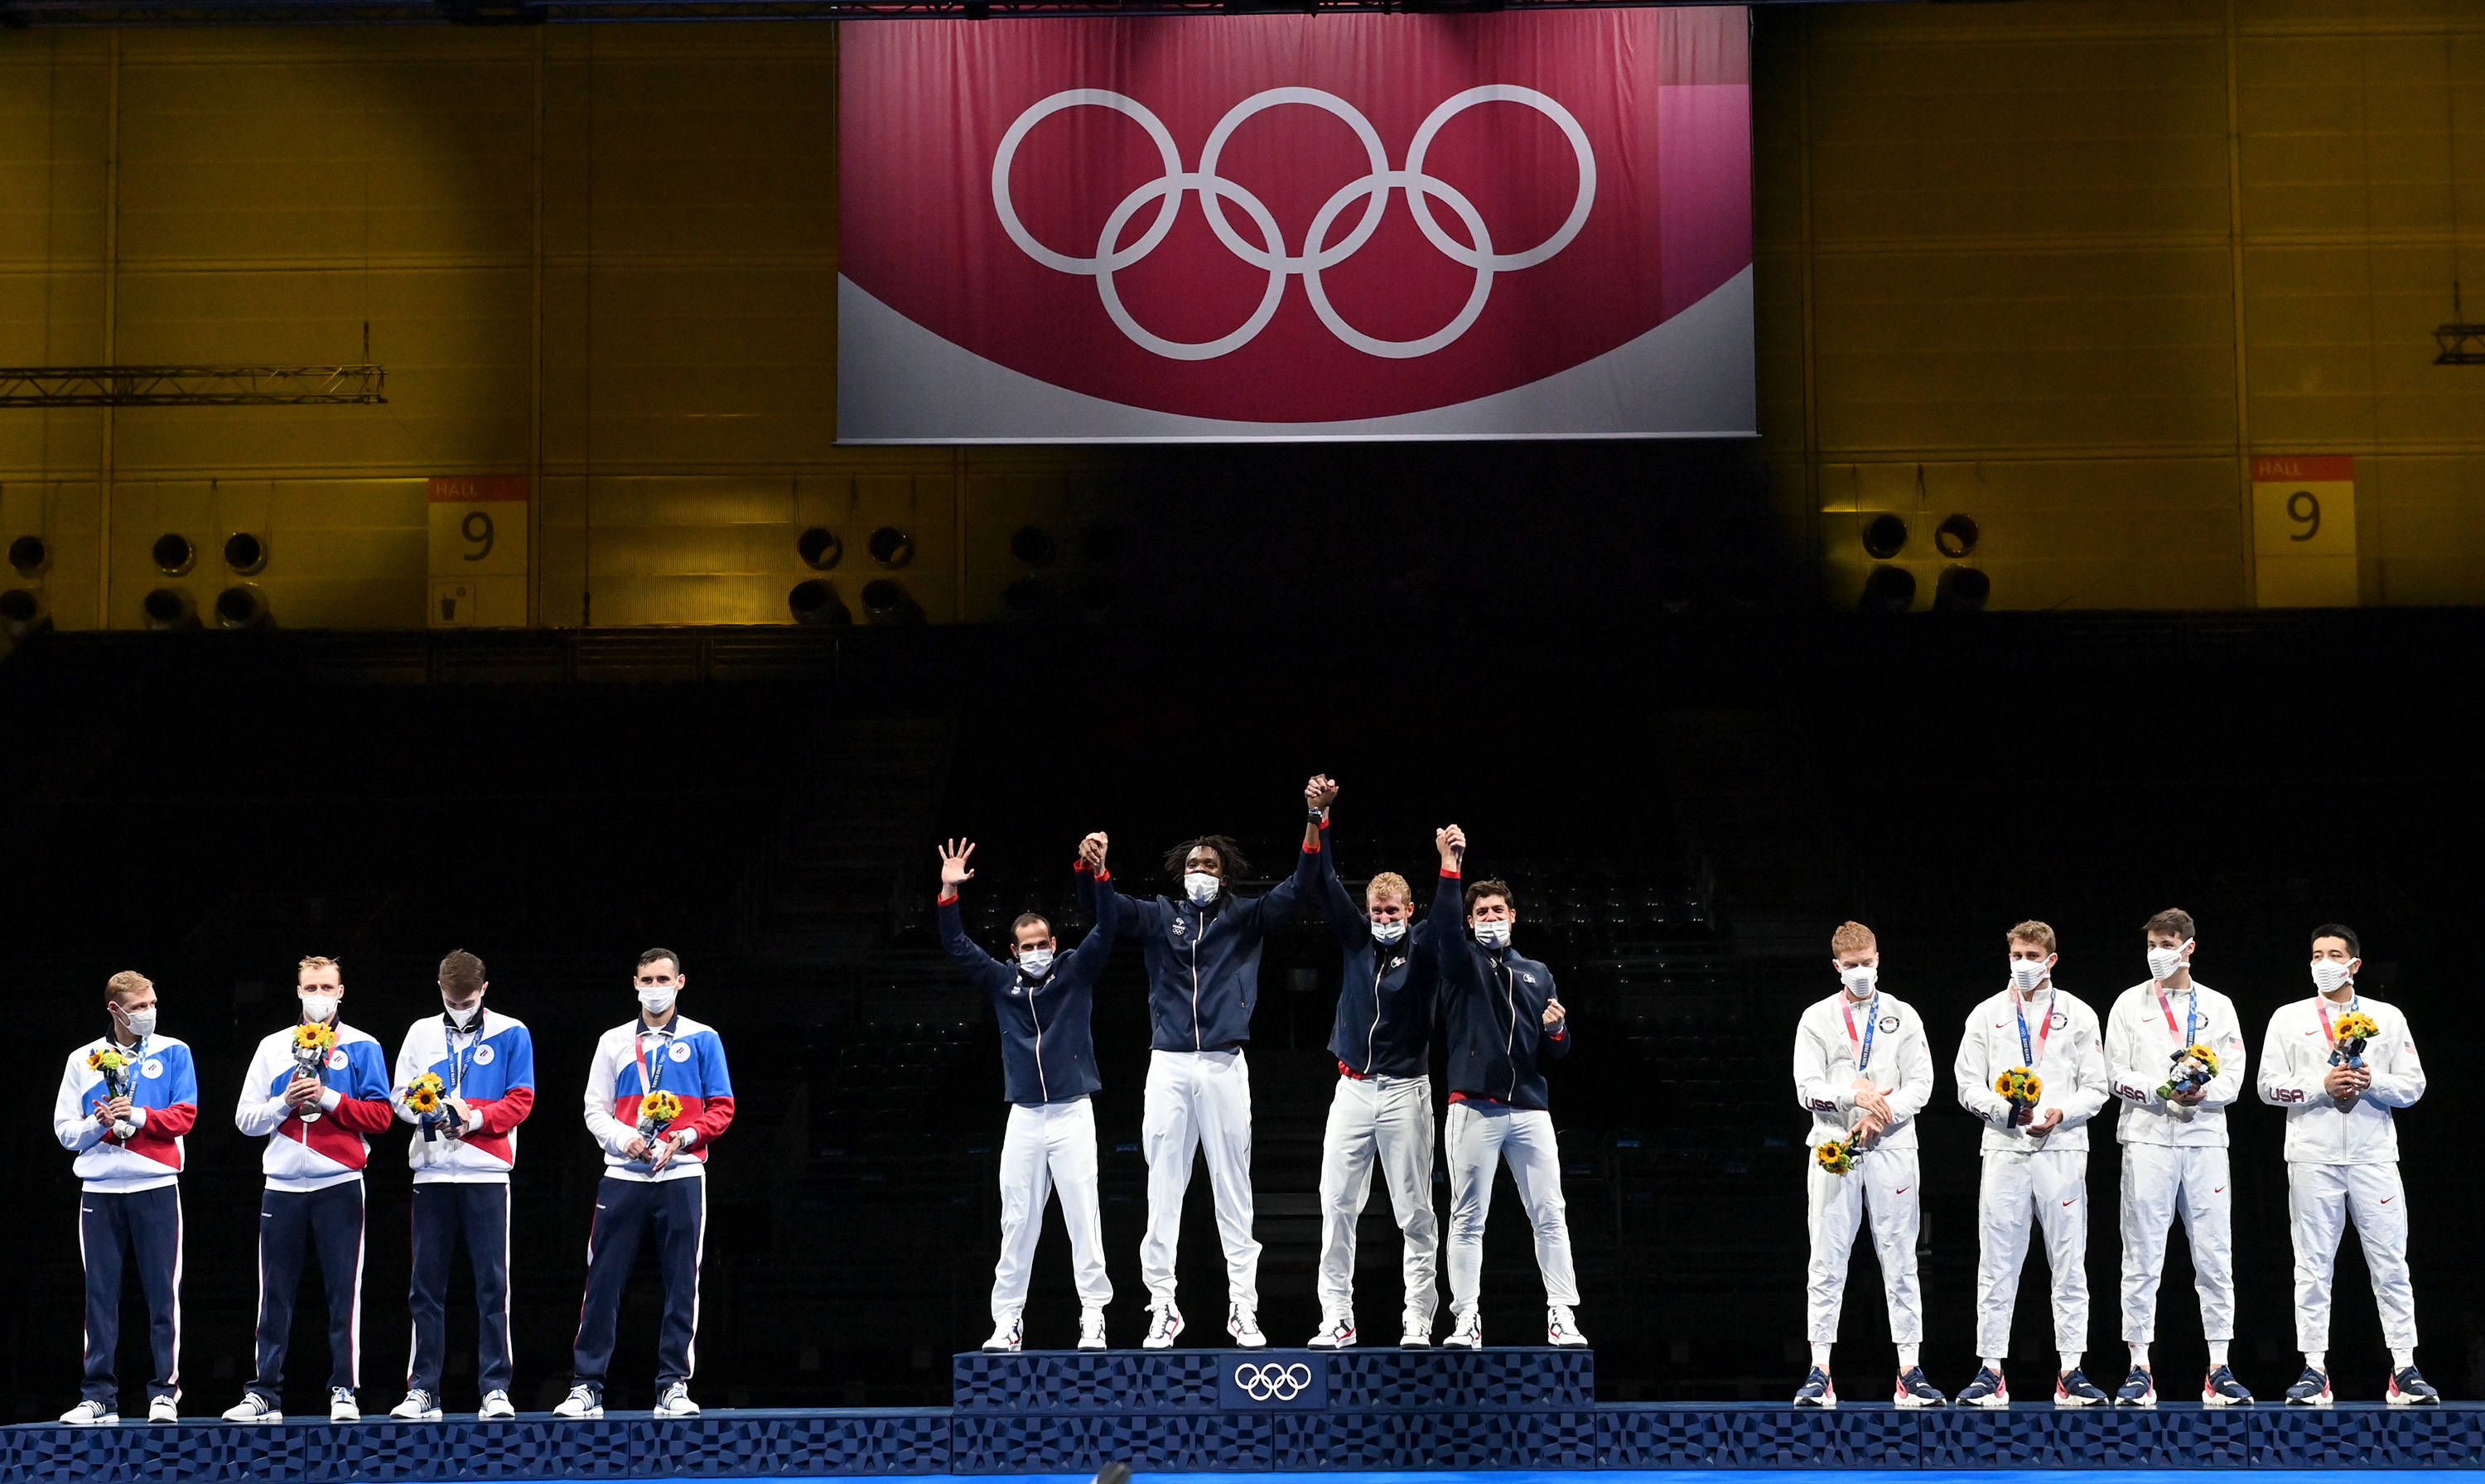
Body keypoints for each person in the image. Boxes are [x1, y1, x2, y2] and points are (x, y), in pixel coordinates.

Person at [1074, 784, 1326, 1349]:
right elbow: (1102, 909)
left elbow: (1303, 885)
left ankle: (1244, 1307)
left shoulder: (1246, 918)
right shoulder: (1161, 916)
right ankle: (1162, 1304)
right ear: (1179, 873)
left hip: (1223, 1066)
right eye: (1192, 863)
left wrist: (1316, 817)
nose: (1200, 870)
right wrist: (1092, 868)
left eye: (1210, 864)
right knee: (1163, 1188)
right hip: (1167, 1067)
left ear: (1225, 873)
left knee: (1233, 1189)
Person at [938, 835, 1121, 1353]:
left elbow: (1108, 927)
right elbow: (957, 947)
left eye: (1045, 943)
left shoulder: (1075, 973)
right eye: (1029, 945)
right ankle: (1008, 1323)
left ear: (1054, 945)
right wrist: (949, 893)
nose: (1038, 951)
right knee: (1016, 1221)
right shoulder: (1003, 982)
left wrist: (1100, 874)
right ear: (1015, 950)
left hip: (1072, 1114)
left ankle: (1093, 1317)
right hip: (1024, 1117)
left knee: (1083, 1216)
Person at [2256, 923, 2436, 1405]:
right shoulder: (2287, 1018)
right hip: (2312, 1156)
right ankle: (2315, 1369)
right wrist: (2322, 1085)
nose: (2323, 962)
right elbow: (2267, 1087)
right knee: (2312, 1266)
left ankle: (2404, 1367)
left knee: (2390, 1263)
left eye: (2334, 954)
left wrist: (2371, 1081)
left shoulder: (2388, 1018)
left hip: (2373, 1154)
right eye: (2316, 954)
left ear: (2354, 964)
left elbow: (2413, 1087)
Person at [557, 948, 735, 1421]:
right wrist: (623, 1138)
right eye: (646, 979)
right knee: (603, 1281)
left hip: (682, 1174)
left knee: (682, 1282)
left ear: (680, 983)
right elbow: (595, 1108)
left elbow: (722, 1107)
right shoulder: (613, 1040)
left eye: (663, 979)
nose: (654, 987)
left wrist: (686, 1135)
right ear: (634, 982)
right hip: (622, 1176)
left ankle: (673, 1384)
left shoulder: (703, 1038)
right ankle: (586, 1385)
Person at [224, 956, 396, 1424]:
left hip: (339, 1182)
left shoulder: (363, 1046)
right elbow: (244, 1119)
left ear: (341, 993)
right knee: (273, 1293)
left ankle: (344, 1389)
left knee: (344, 1292)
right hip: (281, 1185)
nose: (317, 995)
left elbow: (382, 1117)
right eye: (310, 987)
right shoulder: (272, 1047)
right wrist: (284, 1102)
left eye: (326, 987)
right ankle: (263, 1393)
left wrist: (329, 1098)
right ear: (297, 992)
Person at [1432, 825, 1585, 1351]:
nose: (1491, 919)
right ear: (1471, 921)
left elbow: (1557, 1050)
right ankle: (1466, 1319)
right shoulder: (1459, 962)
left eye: (1498, 911)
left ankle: (1562, 1313)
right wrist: (1450, 866)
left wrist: (1556, 1030)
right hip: (1474, 1107)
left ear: (1513, 916)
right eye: (1482, 913)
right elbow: (1444, 926)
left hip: (1530, 1110)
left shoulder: (1537, 973)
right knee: (1468, 1216)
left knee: (1550, 1212)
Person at [1950, 922, 2110, 1408]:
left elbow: (2096, 1087)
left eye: (2033, 954)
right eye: (2017, 954)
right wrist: (2004, 1111)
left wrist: (2063, 1113)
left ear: (2052, 960)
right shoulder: (1986, 1014)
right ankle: (1991, 1370)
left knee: (2069, 1262)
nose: (2023, 963)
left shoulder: (2079, 1014)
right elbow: (1965, 1085)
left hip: (2062, 1148)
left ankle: (2071, 1369)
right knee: (1997, 1262)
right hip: (2003, 1148)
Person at [1305, 776, 1440, 1349]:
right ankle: (1337, 1316)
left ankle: (1419, 1317)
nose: (1384, 917)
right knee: (1336, 1205)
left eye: (1393, 910)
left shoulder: (1428, 945)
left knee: (1414, 1213)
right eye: (1376, 909)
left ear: (1410, 909)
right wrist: (1319, 816)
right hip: (1354, 1090)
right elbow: (1319, 879)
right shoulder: (1358, 941)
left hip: (1408, 1092)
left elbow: (1452, 913)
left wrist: (1449, 865)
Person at [2106, 908, 2253, 1406]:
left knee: (2214, 1254)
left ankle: (2219, 1367)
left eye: (2167, 944)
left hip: (2206, 1139)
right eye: (2152, 945)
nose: (2157, 954)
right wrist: (2167, 1089)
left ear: (2189, 947)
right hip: (2146, 1139)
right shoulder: (2128, 1003)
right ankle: (2138, 1367)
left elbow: (2233, 1077)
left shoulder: (2220, 1005)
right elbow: (2115, 1076)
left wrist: (2201, 1093)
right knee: (2142, 1255)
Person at [1792, 921, 1939, 1407]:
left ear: (1879, 959)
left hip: (1892, 1146)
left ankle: (1910, 1370)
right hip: (1833, 1145)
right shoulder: (1815, 1019)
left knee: (1900, 1259)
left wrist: (1883, 1114)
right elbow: (1806, 1088)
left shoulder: (1904, 1015)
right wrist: (1851, 1097)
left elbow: (1922, 1083)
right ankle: (1819, 1370)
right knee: (1827, 1258)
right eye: (1851, 966)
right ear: (1837, 967)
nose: (1860, 972)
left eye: (1867, 963)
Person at [388, 949, 537, 1422]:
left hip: (487, 1173)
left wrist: (473, 1119)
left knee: (492, 1285)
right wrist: (425, 1111)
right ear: (439, 989)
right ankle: (423, 1388)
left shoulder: (513, 1032)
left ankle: (494, 1387)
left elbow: (521, 1100)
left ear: (485, 991)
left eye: (468, 998)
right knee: (425, 1285)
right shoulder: (419, 1032)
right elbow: (398, 1097)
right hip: (432, 1173)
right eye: (452, 999)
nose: (460, 1006)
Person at [54, 970, 200, 1426]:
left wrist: (136, 1115)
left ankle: (165, 1393)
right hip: (99, 1190)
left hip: (154, 1186)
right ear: (115, 1010)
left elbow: (185, 1116)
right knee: (100, 1295)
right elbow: (65, 1131)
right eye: (139, 1007)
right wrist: (100, 1125)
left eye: (152, 1004)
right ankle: (97, 1396)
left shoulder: (175, 1051)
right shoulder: (83, 1059)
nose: (148, 1013)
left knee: (162, 1293)